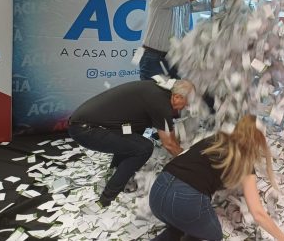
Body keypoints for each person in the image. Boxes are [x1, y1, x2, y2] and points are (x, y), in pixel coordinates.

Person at [149, 115, 284, 241]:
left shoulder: (215, 139)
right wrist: (283, 238)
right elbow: (258, 213)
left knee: (182, 224)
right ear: (258, 142)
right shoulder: (244, 160)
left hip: (157, 191)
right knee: (213, 235)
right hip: (184, 199)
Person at [68, 79, 195, 207]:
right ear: (177, 97)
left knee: (136, 137)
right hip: (86, 130)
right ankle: (106, 198)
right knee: (144, 148)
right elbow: (169, 144)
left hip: (87, 124)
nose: (186, 107)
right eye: (186, 103)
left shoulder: (158, 91)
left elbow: (170, 136)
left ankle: (114, 172)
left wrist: (180, 150)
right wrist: (190, 165)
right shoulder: (161, 104)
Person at [140, 0, 235, 80]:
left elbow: (210, 3)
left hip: (176, 58)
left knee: (177, 90)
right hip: (154, 58)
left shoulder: (184, 1)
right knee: (152, 90)